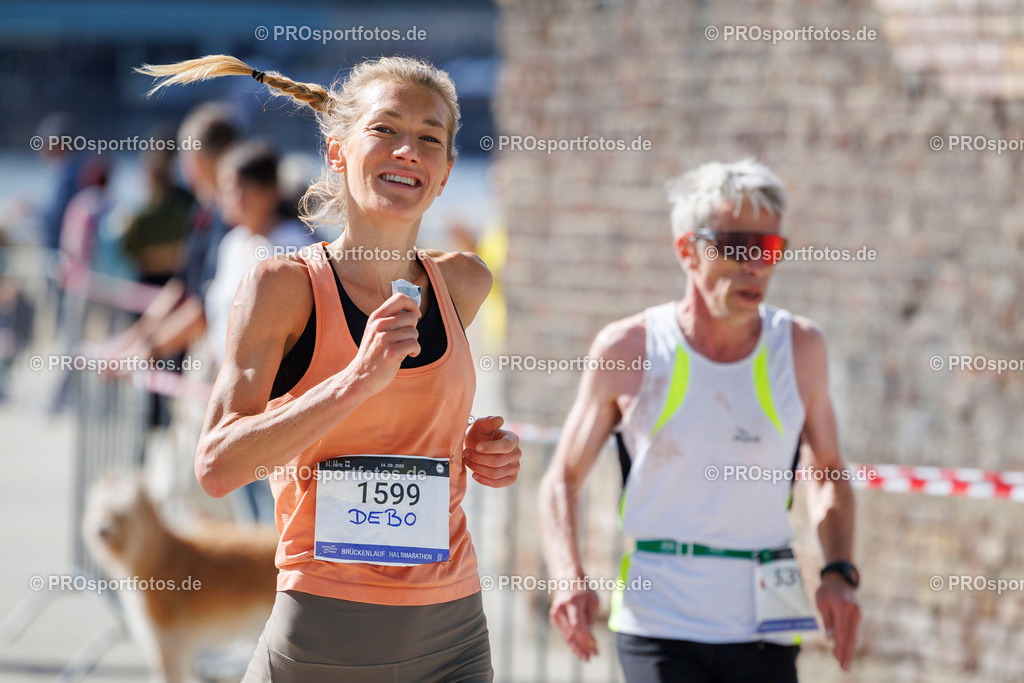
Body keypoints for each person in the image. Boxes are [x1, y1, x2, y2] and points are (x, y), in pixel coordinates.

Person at [136, 54, 523, 681]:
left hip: (451, 635)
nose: (408, 151)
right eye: (385, 129)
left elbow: (408, 428)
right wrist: (352, 382)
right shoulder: (282, 287)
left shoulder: (464, 283)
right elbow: (217, 466)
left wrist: (473, 447)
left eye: (430, 139)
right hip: (321, 636)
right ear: (337, 150)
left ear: (446, 173)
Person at [539, 159, 861, 682]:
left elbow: (827, 472)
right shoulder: (630, 347)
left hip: (766, 622)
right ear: (687, 251)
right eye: (736, 246)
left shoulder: (801, 348)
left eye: (769, 248)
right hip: (658, 620)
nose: (756, 265)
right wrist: (567, 575)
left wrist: (839, 572)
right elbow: (562, 478)